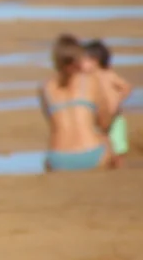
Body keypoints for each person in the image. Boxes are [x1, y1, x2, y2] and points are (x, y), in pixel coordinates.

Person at [38, 34, 118, 172]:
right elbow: (105, 122)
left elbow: (53, 124)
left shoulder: (45, 87)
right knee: (106, 140)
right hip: (92, 154)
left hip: (58, 158)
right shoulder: (90, 80)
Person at [82, 40, 133, 159]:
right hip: (96, 118)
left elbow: (126, 87)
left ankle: (119, 163)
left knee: (119, 146)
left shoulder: (108, 75)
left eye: (84, 61)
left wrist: (118, 99)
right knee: (99, 144)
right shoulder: (86, 78)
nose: (80, 64)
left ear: (94, 61)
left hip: (115, 117)